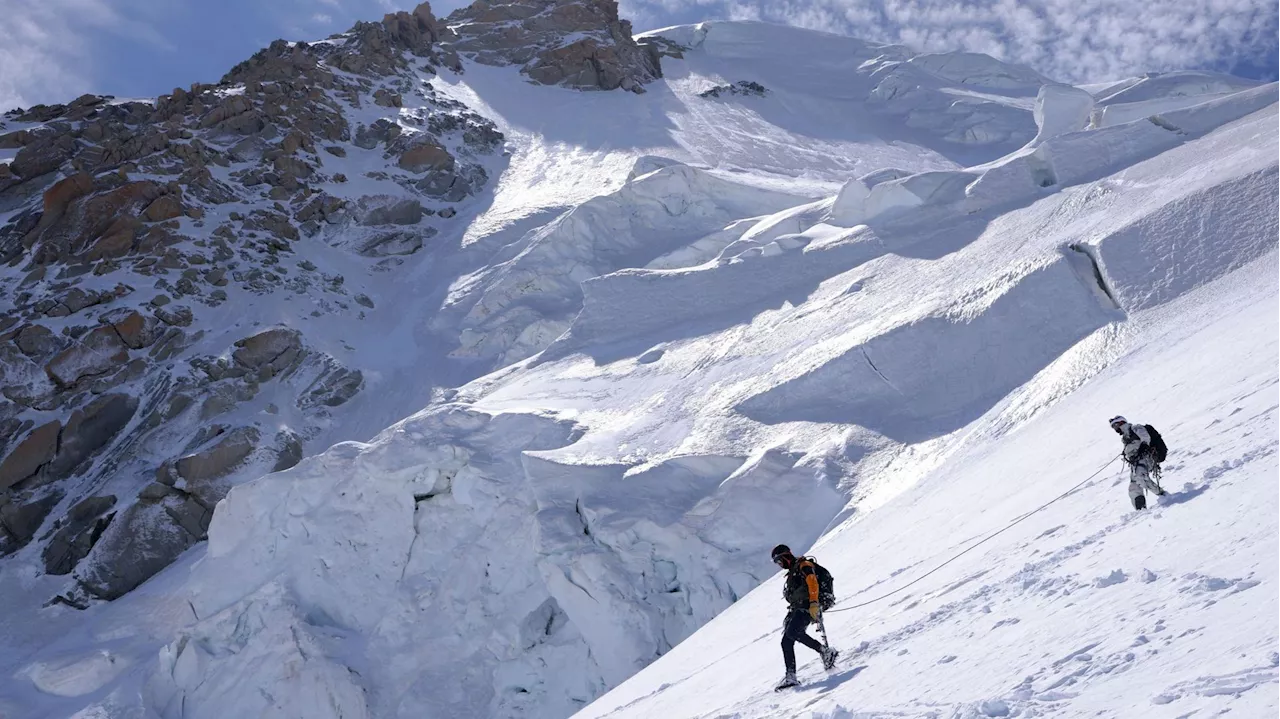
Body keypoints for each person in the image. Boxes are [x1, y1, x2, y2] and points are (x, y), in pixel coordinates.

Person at [772, 544, 838, 689]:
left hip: (808, 606)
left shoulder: (804, 565)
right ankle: (791, 676)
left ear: (785, 557)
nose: (779, 564)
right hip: (800, 607)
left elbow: (812, 581)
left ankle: (825, 651)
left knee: (792, 633)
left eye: (779, 560)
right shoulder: (793, 571)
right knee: (786, 641)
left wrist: (814, 602)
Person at [1110, 415, 1166, 510]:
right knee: (1134, 487)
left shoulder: (1135, 428)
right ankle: (1141, 510)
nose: (1115, 429)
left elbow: (1145, 437)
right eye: (1113, 427)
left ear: (1121, 422)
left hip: (1145, 457)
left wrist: (1144, 446)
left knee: (1141, 478)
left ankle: (1163, 495)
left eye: (1115, 425)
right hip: (1135, 462)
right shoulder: (1125, 437)